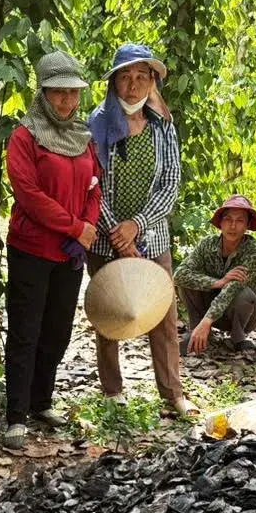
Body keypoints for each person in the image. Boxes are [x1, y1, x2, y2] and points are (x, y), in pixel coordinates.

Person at [86, 43, 198, 418]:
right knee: (111, 309)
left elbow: (170, 182)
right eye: (125, 77)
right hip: (105, 237)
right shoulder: (95, 125)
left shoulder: (162, 125)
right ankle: (112, 390)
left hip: (152, 237)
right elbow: (90, 184)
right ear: (114, 82)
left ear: (152, 82)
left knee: (163, 315)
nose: (133, 85)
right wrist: (115, 232)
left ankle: (172, 393)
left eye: (141, 77)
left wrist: (137, 225)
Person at [2, 51, 102, 450]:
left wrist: (86, 227)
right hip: (32, 248)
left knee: (58, 329)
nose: (66, 101)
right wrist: (76, 226)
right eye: (58, 94)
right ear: (42, 94)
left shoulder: (82, 136)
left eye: (73, 93)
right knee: (26, 330)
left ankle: (41, 401)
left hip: (69, 253)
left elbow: (95, 184)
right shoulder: (25, 137)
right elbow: (29, 195)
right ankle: (15, 416)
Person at [175, 195, 256, 355]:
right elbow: (179, 275)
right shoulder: (207, 244)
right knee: (188, 283)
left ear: (247, 225)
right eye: (228, 219)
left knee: (242, 292)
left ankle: (238, 337)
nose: (233, 226)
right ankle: (198, 332)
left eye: (240, 221)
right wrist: (217, 283)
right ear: (220, 222)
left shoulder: (253, 250)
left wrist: (207, 320)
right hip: (216, 310)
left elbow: (233, 287)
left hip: (248, 313)